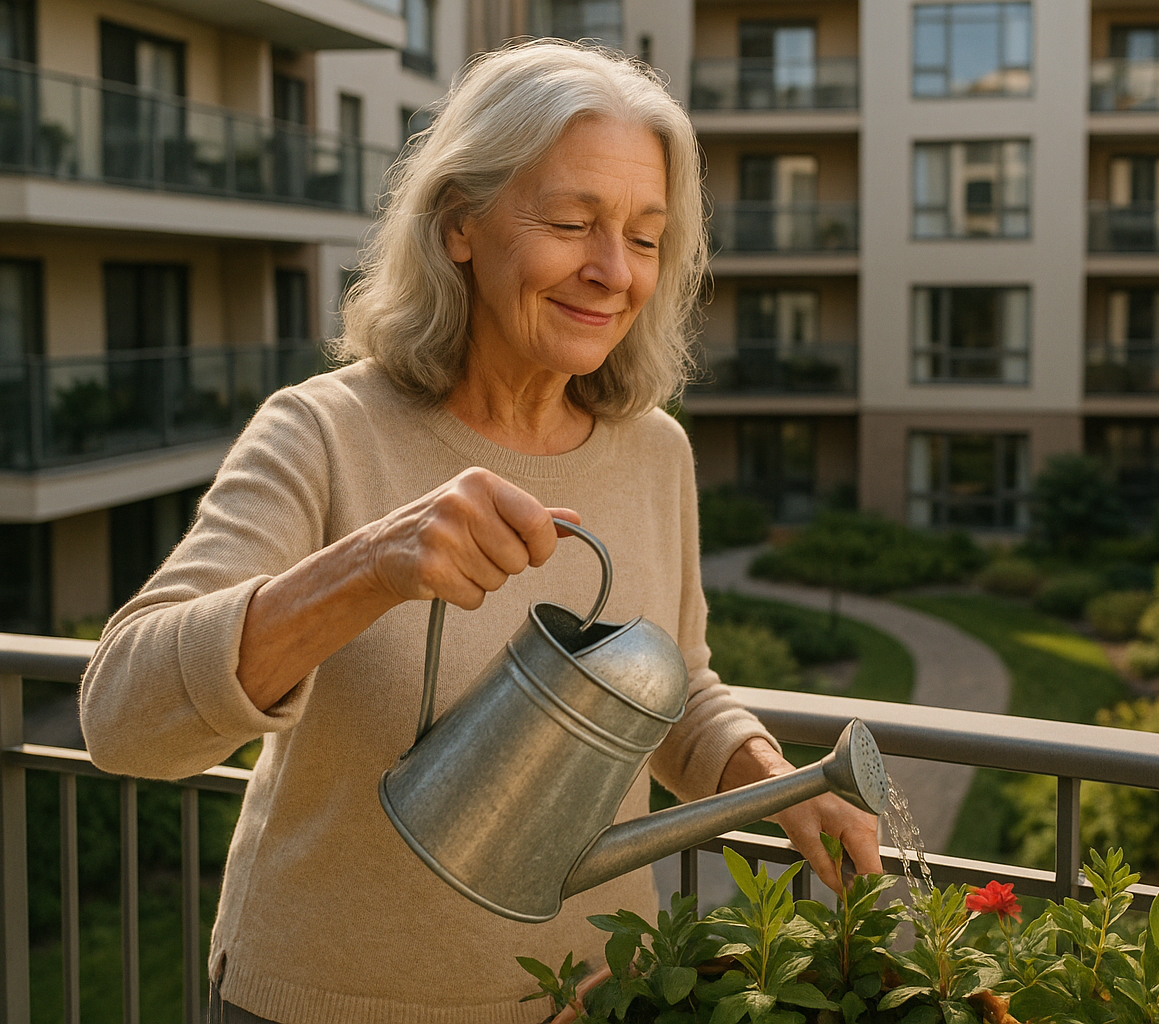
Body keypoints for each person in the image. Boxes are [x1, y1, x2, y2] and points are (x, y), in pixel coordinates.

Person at [80, 40, 880, 1024]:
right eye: (573, 222)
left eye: (643, 235)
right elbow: (121, 720)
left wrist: (778, 784)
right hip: (323, 1000)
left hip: (587, 998)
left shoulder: (654, 451)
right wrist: (374, 563)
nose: (611, 271)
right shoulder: (321, 432)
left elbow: (671, 688)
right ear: (460, 223)